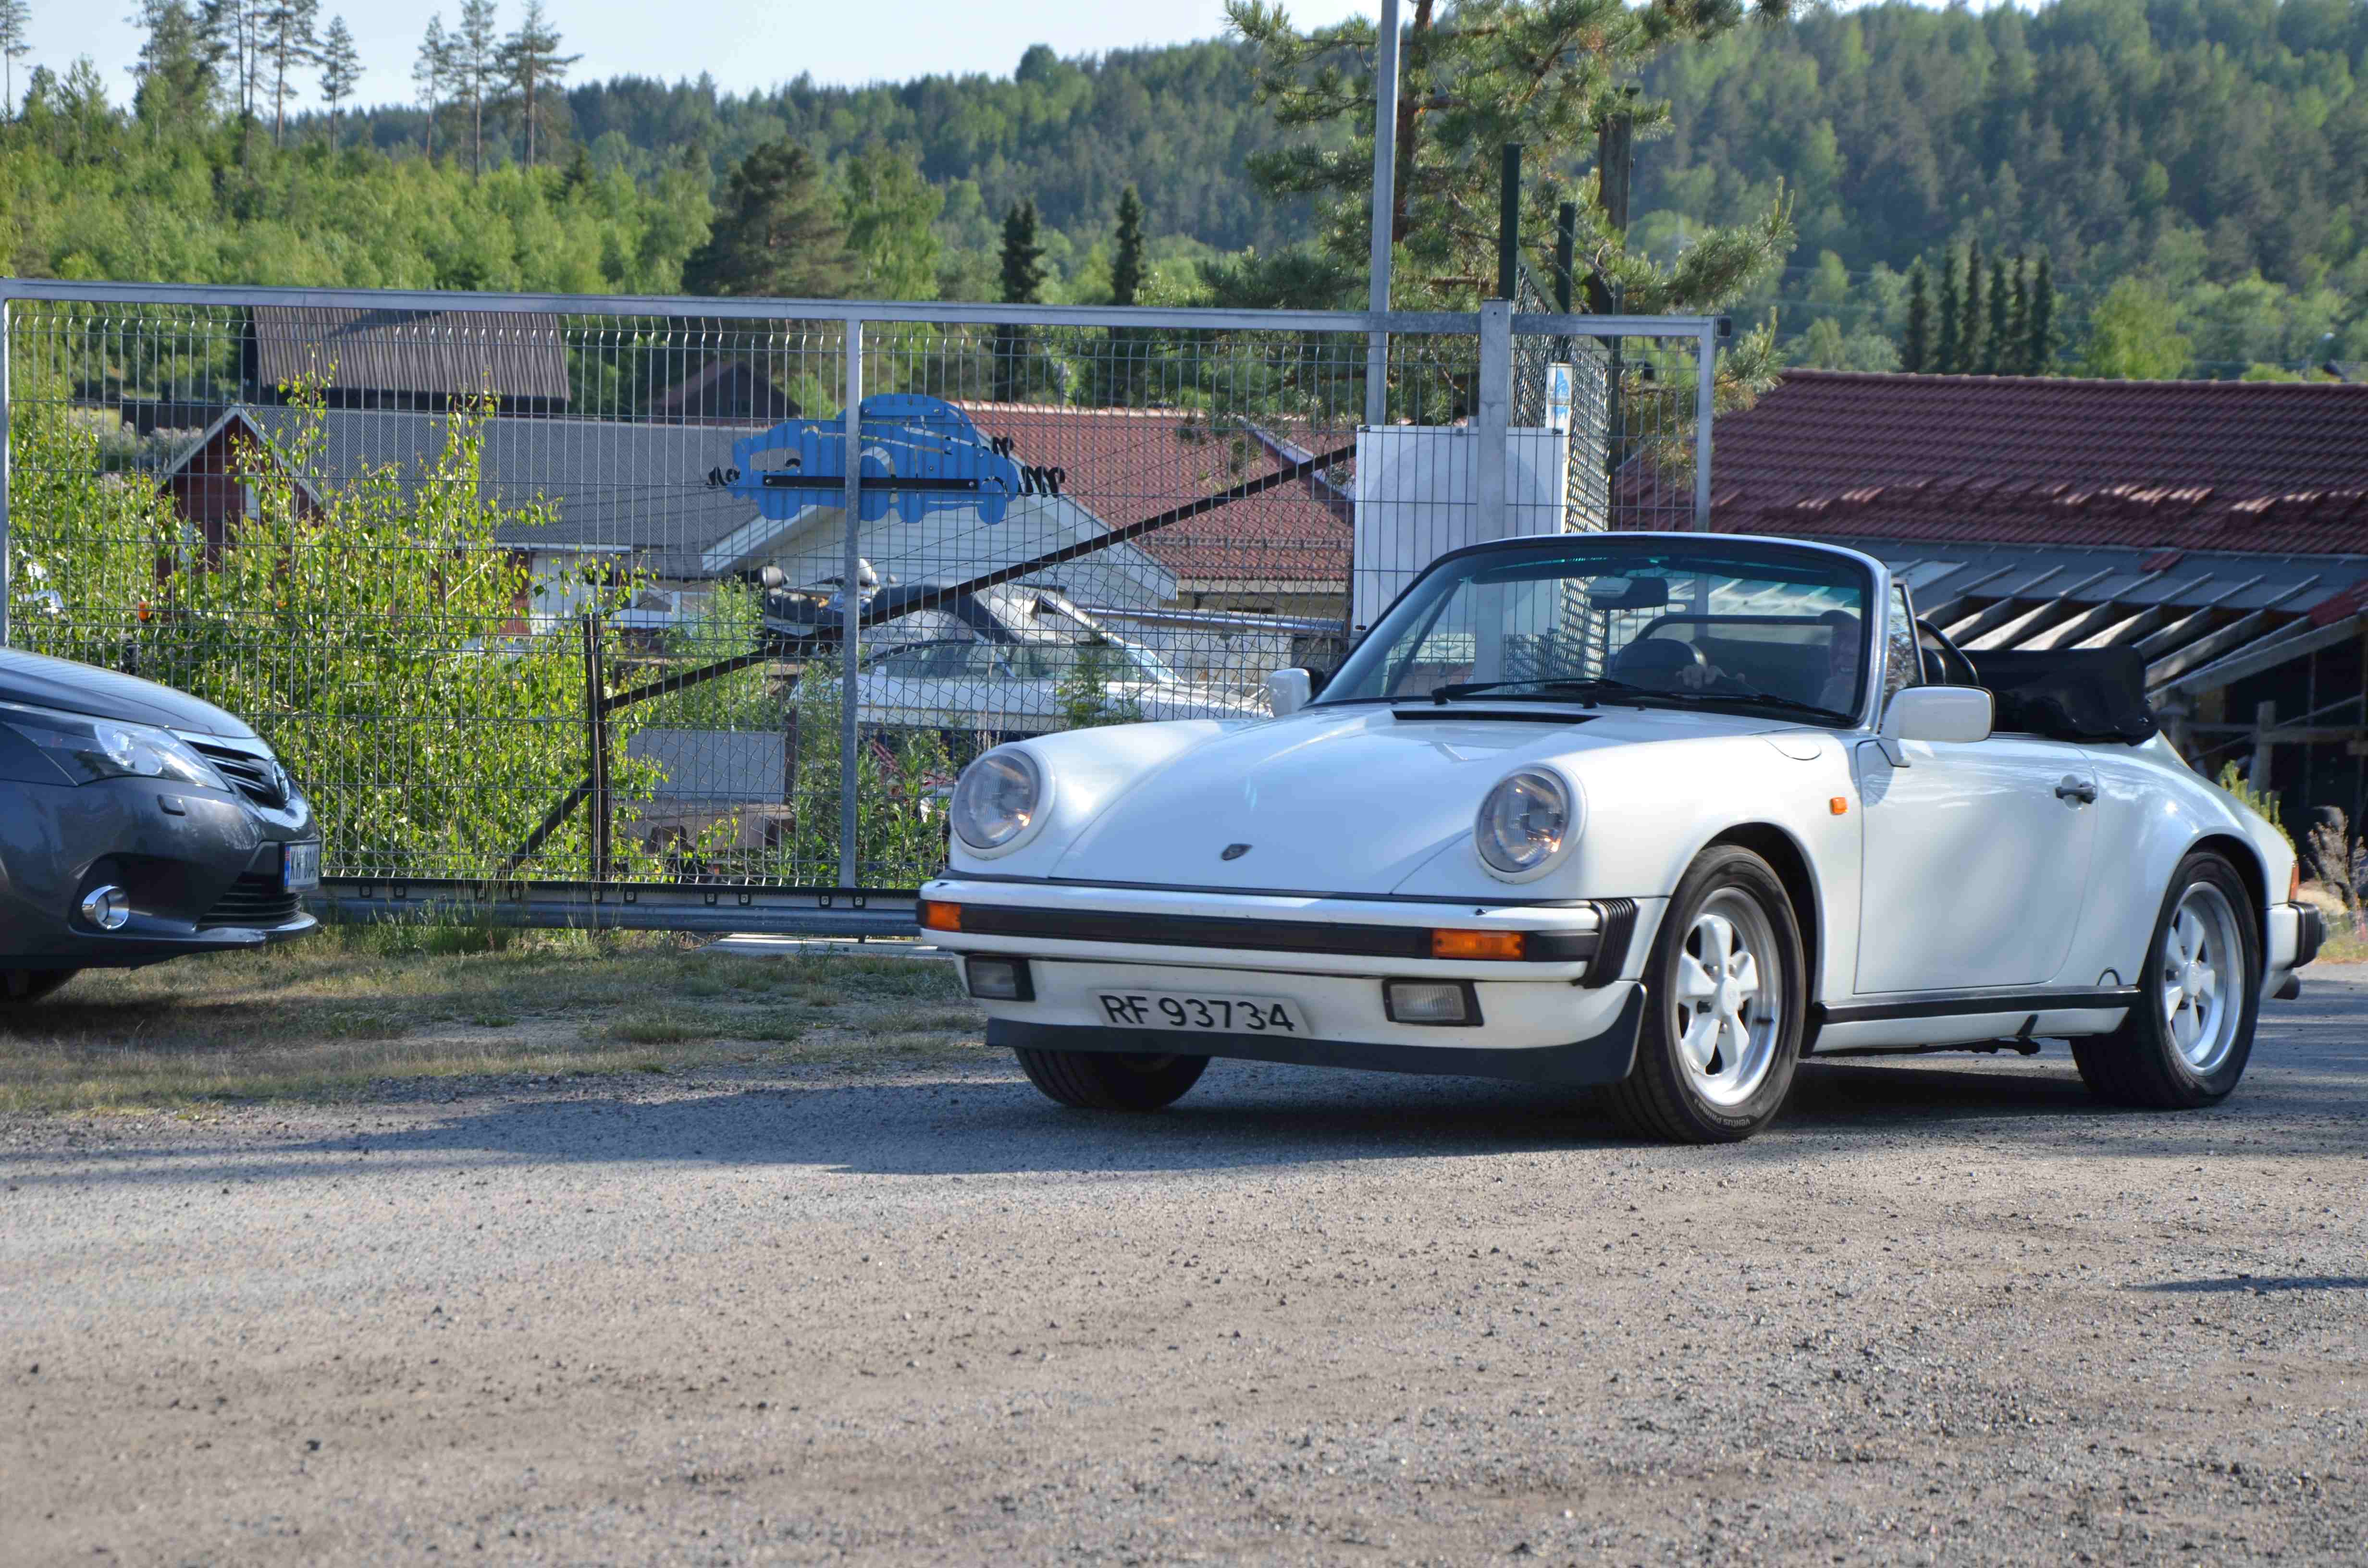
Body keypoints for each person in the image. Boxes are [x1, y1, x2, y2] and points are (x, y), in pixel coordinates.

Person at [1662, 607, 1863, 716]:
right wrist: (1712, 690)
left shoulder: (1877, 717)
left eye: (1860, 640)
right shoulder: (1808, 695)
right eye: (1840, 637)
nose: (1846, 649)